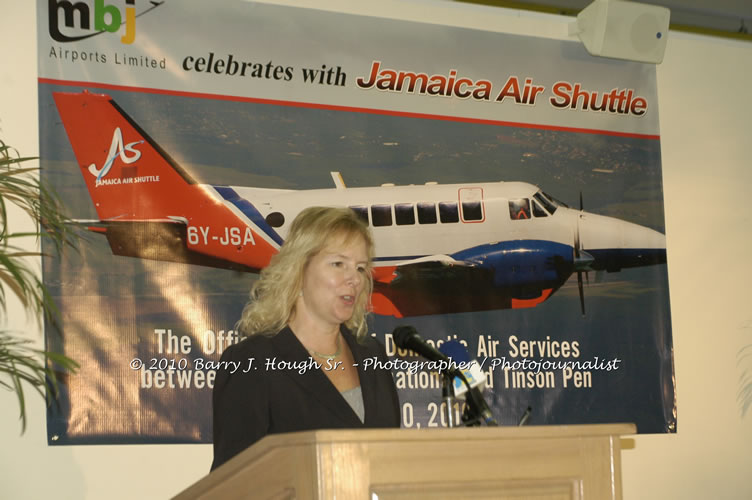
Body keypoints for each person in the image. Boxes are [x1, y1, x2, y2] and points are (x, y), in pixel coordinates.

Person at [211, 206, 401, 470]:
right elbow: (233, 484)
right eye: (338, 264)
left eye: (360, 268)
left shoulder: (372, 356)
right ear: (299, 271)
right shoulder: (252, 362)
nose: (354, 280)